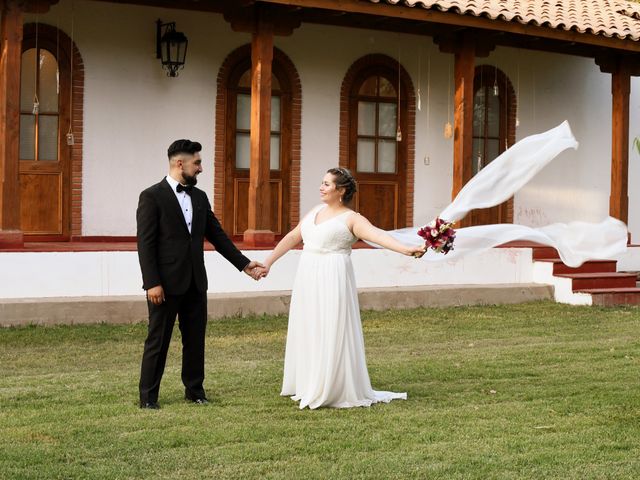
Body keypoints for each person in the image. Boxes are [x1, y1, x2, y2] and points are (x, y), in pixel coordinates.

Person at [255, 168, 425, 409]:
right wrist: (269, 262)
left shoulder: (352, 219)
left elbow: (378, 236)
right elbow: (294, 237)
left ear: (341, 190)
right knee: (310, 324)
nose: (321, 187)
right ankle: (308, 381)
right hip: (308, 275)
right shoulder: (315, 211)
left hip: (333, 276)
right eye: (322, 183)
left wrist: (406, 250)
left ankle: (331, 385)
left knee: (330, 325)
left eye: (326, 184)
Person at [136, 139, 263, 409]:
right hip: (165, 285)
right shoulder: (151, 196)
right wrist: (152, 283)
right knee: (158, 340)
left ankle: (195, 391)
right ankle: (148, 397)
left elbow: (218, 236)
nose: (201, 168)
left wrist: (244, 264)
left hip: (196, 282)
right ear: (179, 163)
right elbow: (145, 244)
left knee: (195, 340)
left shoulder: (200, 197)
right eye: (197, 163)